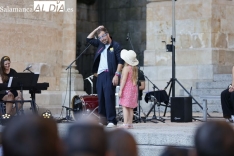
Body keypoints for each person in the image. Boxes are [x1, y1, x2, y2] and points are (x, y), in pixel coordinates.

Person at [87, 25, 124, 128]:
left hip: (110, 74)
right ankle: (102, 120)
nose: (102, 39)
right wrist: (96, 29)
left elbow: (121, 61)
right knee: (101, 98)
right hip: (101, 74)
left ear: (107, 35)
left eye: (103, 36)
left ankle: (112, 120)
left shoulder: (115, 45)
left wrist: (117, 74)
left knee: (109, 97)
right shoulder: (100, 44)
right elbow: (88, 39)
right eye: (100, 37)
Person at [118, 49, 139, 129]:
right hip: (133, 89)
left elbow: (124, 80)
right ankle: (130, 123)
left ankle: (125, 123)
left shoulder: (126, 68)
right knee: (131, 107)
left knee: (125, 106)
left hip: (127, 88)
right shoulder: (134, 68)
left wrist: (121, 90)